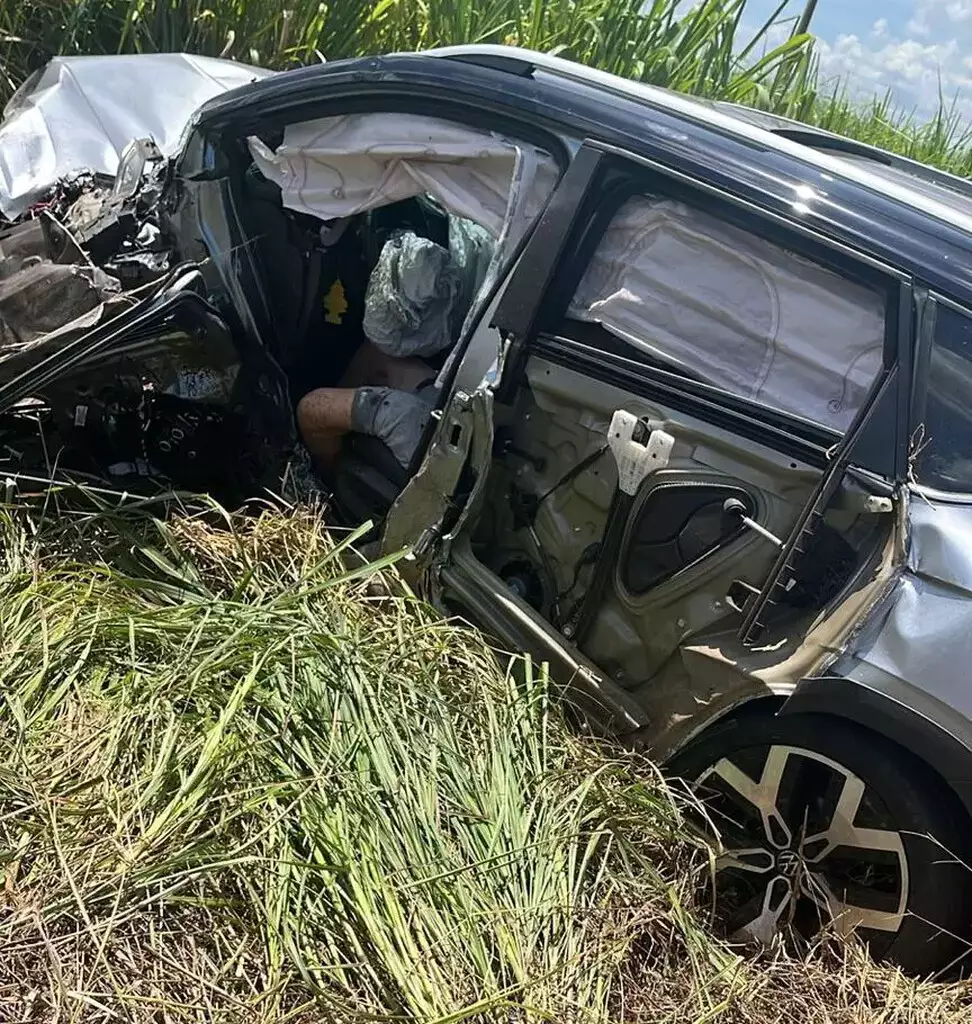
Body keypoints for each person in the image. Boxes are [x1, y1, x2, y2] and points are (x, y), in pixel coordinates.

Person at [297, 228, 460, 473]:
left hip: (427, 441)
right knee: (379, 354)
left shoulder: (409, 418)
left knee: (310, 409)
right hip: (447, 413)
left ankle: (323, 486)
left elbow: (311, 409)